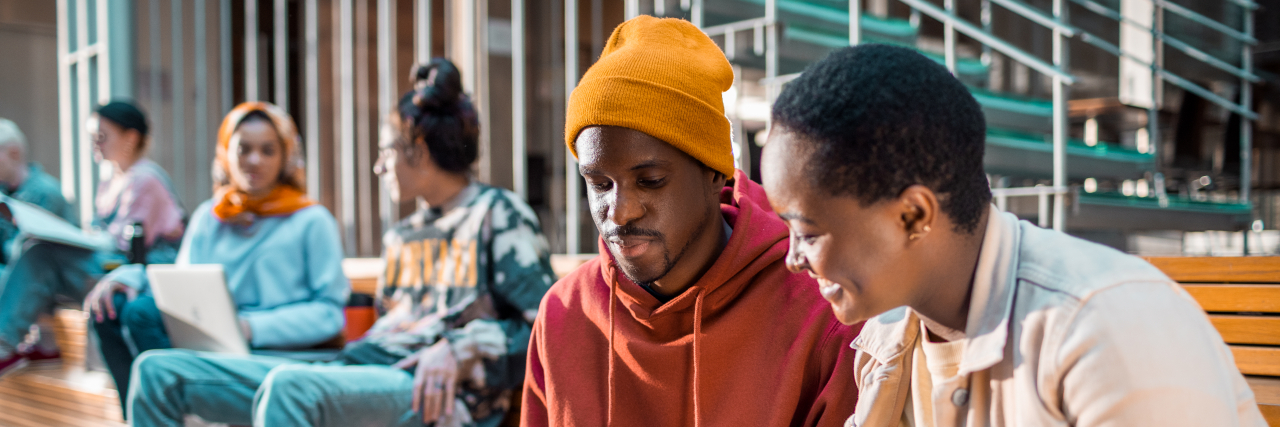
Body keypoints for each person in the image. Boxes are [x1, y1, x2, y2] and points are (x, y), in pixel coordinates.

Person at [760, 44, 1267, 427]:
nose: (793, 258)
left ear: (914, 216)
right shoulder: (891, 337)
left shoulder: (1103, 329)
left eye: (806, 232)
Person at [128, 58, 556, 427]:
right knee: (158, 372)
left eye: (385, 152)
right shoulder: (403, 235)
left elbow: (545, 330)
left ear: (419, 151)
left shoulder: (497, 213)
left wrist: (461, 349)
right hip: (367, 368)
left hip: (433, 395)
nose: (377, 167)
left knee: (288, 388)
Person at [521, 16, 860, 427]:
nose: (620, 211)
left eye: (650, 181)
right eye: (599, 183)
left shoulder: (820, 313)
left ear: (715, 171)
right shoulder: (564, 313)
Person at [82, 102, 350, 418]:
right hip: (212, 341)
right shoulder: (211, 217)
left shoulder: (311, 220)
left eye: (268, 150)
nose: (254, 160)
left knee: (146, 330)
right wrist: (130, 276)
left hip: (275, 350)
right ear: (226, 153)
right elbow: (182, 285)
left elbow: (329, 314)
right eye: (243, 149)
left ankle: (167, 412)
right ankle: (147, 416)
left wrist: (250, 327)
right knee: (114, 309)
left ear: (285, 157)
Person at [0, 101, 185, 376]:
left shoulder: (145, 178)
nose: (94, 145)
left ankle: (6, 344)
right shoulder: (112, 180)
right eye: (92, 138)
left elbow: (123, 246)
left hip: (137, 272)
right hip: (111, 265)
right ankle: (39, 342)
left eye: (101, 137)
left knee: (41, 254)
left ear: (130, 138)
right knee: (34, 251)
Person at [0, 118, 77, 364]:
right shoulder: (6, 193)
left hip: (58, 277)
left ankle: (6, 344)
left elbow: (35, 252)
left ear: (13, 152)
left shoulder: (45, 192)